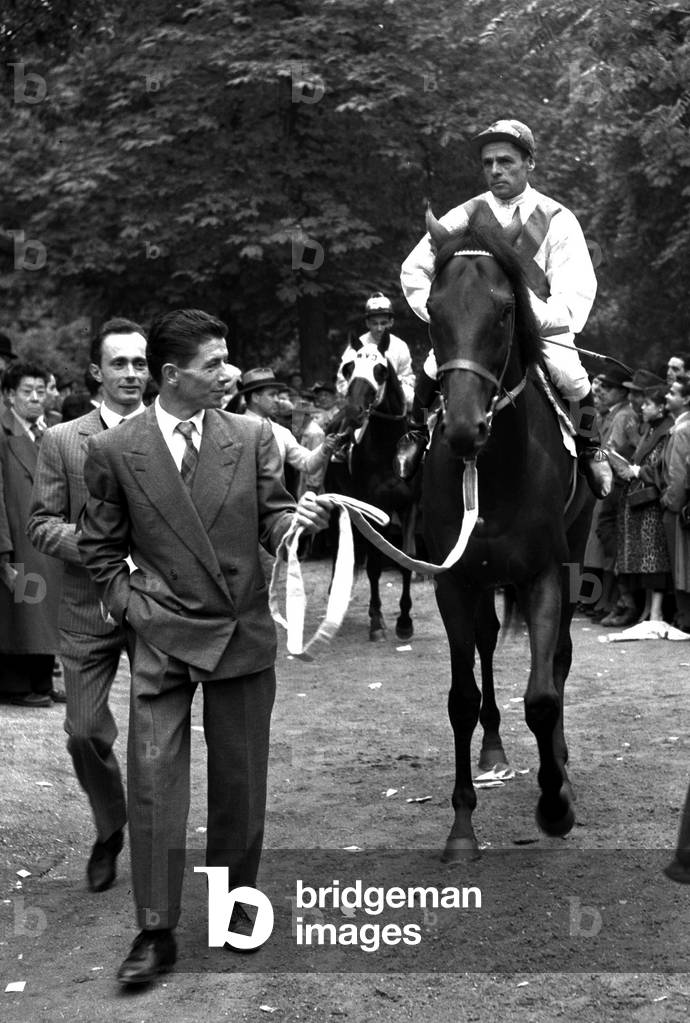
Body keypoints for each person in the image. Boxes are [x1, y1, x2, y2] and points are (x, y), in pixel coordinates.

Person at [76, 309, 333, 986]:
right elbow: (99, 551)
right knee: (154, 781)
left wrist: (297, 521)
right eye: (213, 364)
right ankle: (154, 930)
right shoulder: (116, 449)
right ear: (171, 375)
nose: (229, 374)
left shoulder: (250, 436)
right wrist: (134, 609)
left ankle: (234, 901)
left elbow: (273, 516)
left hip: (240, 629)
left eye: (228, 360)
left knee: (239, 781)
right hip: (160, 637)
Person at [398, 118, 611, 499]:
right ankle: (415, 432)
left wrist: (532, 316)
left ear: (530, 162)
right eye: (488, 162)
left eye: (506, 161)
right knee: (432, 366)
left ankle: (590, 445)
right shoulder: (463, 215)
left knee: (572, 376)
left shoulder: (557, 220)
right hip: (476, 332)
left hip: (541, 332)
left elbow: (576, 292)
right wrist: (451, 316)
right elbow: (414, 270)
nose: (496, 170)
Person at [27, 318, 149, 894]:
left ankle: (156, 842)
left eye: (140, 363)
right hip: (86, 606)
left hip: (153, 606)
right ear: (96, 372)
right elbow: (41, 523)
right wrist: (103, 551)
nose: (131, 373)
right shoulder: (62, 439)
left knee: (156, 734)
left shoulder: (169, 432)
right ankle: (109, 825)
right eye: (119, 363)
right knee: (83, 733)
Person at [0, 361, 64, 706]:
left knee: (43, 606)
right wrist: (3, 547)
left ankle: (42, 680)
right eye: (27, 391)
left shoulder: (51, 431)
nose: (36, 398)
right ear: (10, 395)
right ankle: (16, 684)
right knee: (22, 609)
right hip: (16, 533)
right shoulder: (3, 432)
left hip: (46, 536)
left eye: (41, 390)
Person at [612, 384, 673, 623]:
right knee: (646, 559)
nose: (643, 407)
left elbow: (661, 465)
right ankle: (648, 609)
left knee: (654, 558)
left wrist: (637, 471)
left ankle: (656, 612)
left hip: (653, 503)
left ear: (661, 407)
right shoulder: (651, 429)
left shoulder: (666, 431)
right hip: (642, 502)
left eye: (648, 404)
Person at [238, 367, 338, 490]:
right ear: (255, 397)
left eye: (277, 395)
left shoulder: (280, 432)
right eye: (272, 395)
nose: (277, 400)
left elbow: (306, 463)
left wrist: (324, 448)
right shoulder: (235, 429)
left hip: (274, 500)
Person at [335, 293, 415, 409]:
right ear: (367, 323)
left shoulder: (400, 346)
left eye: (383, 323)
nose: (379, 328)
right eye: (374, 323)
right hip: (361, 401)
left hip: (392, 403)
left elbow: (407, 378)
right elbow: (342, 379)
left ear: (391, 322)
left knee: (415, 405)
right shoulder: (357, 346)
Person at [659, 373, 690, 631]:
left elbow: (677, 474)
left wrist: (670, 502)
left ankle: (684, 617)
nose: (667, 396)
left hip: (677, 508)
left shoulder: (681, 430)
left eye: (673, 393)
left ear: (686, 399)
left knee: (680, 565)